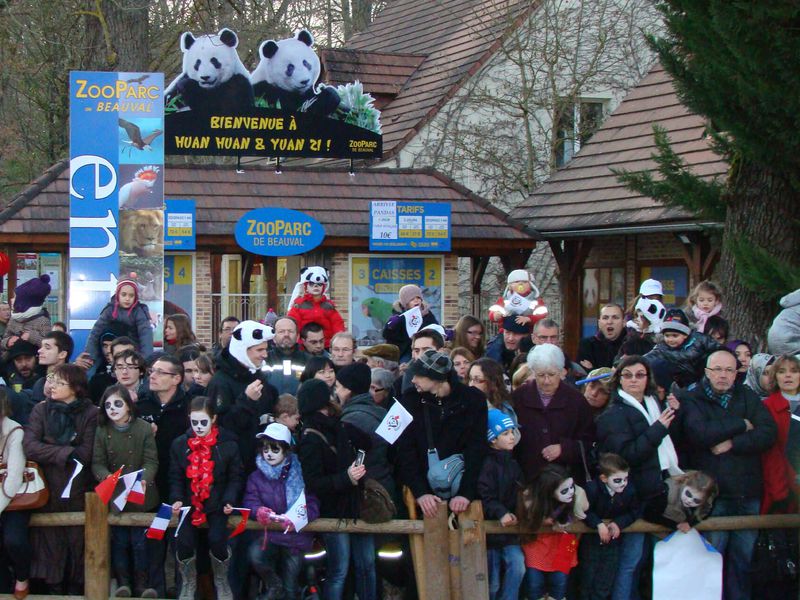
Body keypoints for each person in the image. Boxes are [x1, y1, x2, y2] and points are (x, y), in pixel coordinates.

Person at [680, 349, 777, 600]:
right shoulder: (693, 398)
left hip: (748, 492)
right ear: (707, 372)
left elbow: (768, 432)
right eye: (717, 370)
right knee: (712, 558)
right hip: (713, 495)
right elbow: (700, 434)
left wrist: (733, 444)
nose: (723, 375)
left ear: (737, 373)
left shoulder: (748, 397)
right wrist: (742, 424)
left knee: (742, 562)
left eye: (729, 370)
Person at [595, 355, 682, 600]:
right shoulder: (613, 414)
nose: (634, 380)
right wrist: (658, 430)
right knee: (630, 562)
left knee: (654, 561)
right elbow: (626, 457)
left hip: (657, 490)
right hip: (632, 496)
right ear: (619, 379)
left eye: (640, 375)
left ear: (648, 379)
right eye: (628, 375)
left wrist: (673, 415)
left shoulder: (654, 404)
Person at [23, 364, 98, 594]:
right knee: (49, 546)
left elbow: (86, 453)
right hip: (46, 486)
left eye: (58, 382)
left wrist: (53, 450)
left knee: (77, 544)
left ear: (75, 388)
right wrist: (64, 452)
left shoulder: (91, 413)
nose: (51, 386)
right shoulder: (40, 410)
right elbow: (30, 446)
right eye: (50, 380)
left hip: (78, 487)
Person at [296, 378, 373, 600]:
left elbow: (367, 443)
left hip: (356, 505)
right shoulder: (311, 437)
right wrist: (346, 478)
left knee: (366, 565)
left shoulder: (340, 426)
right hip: (334, 511)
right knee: (339, 570)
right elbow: (313, 483)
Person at [397, 349, 487, 517]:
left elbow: (477, 448)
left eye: (418, 375)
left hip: (463, 489)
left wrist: (466, 493)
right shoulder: (409, 401)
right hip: (423, 491)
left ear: (436, 378)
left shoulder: (473, 400)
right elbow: (404, 451)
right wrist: (421, 492)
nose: (413, 380)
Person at [169, 396, 243, 600]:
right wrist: (176, 498)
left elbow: (235, 477)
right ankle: (188, 581)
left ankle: (222, 580)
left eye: (203, 422)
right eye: (195, 422)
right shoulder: (179, 444)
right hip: (189, 501)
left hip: (217, 502)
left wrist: (230, 500)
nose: (199, 427)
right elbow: (175, 476)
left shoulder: (228, 444)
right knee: (183, 541)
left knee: (217, 539)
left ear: (213, 419)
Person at [92, 385, 159, 598]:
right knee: (119, 542)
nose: (112, 409)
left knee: (140, 544)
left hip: (141, 494)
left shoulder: (144, 428)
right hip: (115, 495)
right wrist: (108, 478)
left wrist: (144, 479)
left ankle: (142, 585)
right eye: (108, 405)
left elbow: (151, 461)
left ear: (129, 407)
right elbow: (97, 463)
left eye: (118, 403)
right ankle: (124, 584)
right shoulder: (102, 430)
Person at [244, 423, 320, 598]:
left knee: (291, 587)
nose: (269, 453)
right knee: (255, 555)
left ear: (286, 451)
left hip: (295, 538)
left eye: (275, 449)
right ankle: (273, 584)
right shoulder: (256, 477)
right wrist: (258, 511)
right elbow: (250, 500)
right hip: (268, 536)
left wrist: (297, 518)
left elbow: (313, 503)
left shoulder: (301, 473)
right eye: (265, 449)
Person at [512, 344, 595, 482]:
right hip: (527, 478)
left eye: (551, 374)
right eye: (540, 375)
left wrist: (564, 448)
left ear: (562, 372)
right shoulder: (518, 398)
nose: (546, 381)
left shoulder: (576, 401)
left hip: (565, 479)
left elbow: (588, 441)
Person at [208, 320, 279, 473]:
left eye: (265, 349)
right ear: (242, 349)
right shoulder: (220, 382)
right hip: (234, 467)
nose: (265, 355)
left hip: (262, 462)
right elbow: (220, 426)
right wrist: (247, 401)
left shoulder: (259, 376)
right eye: (259, 350)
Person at [519, 464, 587, 600]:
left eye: (571, 487)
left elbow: (583, 510)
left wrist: (577, 498)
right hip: (536, 544)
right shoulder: (531, 498)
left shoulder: (577, 495)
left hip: (566, 543)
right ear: (549, 490)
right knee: (534, 583)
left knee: (560, 583)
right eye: (564, 491)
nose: (570, 492)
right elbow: (531, 517)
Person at [579, 454, 640, 600]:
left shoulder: (629, 491)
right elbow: (584, 511)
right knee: (586, 580)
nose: (623, 484)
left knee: (604, 582)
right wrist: (598, 524)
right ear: (604, 478)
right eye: (618, 480)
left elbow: (635, 511)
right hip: (590, 542)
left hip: (613, 544)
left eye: (625, 479)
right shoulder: (592, 489)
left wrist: (619, 523)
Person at [478, 409, 524, 600]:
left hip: (509, 531)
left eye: (512, 432)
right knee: (493, 582)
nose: (512, 437)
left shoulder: (513, 464)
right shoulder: (487, 465)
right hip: (491, 532)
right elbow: (485, 495)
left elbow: (520, 492)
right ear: (492, 440)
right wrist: (501, 512)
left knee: (518, 566)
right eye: (505, 433)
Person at [0, 388, 32, 599]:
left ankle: (22, 577)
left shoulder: (15, 431)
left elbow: (14, 476)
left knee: (14, 540)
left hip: (13, 499)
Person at [760, 354, 800, 515]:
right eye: (782, 371)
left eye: (794, 371)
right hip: (778, 483)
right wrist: (779, 490)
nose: (788, 375)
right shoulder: (766, 407)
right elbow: (770, 452)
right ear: (775, 376)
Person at [643, 308, 723, 387]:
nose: (670, 339)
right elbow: (647, 358)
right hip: (681, 382)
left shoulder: (699, 339)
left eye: (675, 336)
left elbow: (718, 349)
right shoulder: (662, 348)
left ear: (685, 334)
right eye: (667, 336)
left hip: (703, 377)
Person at [83, 280, 153, 366]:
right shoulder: (109, 310)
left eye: (131, 295)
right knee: (92, 369)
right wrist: (90, 356)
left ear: (135, 297)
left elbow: (146, 335)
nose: (127, 298)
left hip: (132, 350)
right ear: (117, 295)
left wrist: (145, 359)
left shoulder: (139, 311)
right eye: (124, 295)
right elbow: (95, 332)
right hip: (109, 350)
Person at [286, 266, 345, 349]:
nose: (316, 286)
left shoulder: (328, 306)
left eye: (320, 284)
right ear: (306, 286)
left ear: (323, 287)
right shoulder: (299, 305)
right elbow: (293, 325)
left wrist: (339, 342)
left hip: (326, 346)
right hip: (304, 348)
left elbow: (338, 324)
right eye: (311, 284)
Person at [643, 470, 717, 533]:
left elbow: (704, 512)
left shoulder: (707, 502)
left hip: (679, 523)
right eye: (688, 494)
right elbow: (649, 514)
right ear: (684, 483)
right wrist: (676, 525)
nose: (689, 500)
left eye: (696, 500)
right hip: (659, 523)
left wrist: (690, 523)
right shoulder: (666, 491)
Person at [382, 284, 439, 363]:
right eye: (412, 299)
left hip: (424, 348)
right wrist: (390, 326)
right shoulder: (399, 316)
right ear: (405, 302)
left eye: (418, 298)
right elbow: (387, 335)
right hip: (404, 351)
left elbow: (435, 329)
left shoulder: (426, 314)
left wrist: (444, 332)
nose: (416, 300)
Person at [468, 358, 519, 440]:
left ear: (491, 382)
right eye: (470, 379)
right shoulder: (463, 403)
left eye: (477, 380)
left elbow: (514, 438)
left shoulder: (504, 408)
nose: (471, 384)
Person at [1, 275, 52, 352]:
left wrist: (31, 336)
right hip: (13, 359)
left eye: (15, 297)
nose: (12, 300)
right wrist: (8, 341)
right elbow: (4, 339)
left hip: (33, 360)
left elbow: (48, 345)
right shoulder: (14, 319)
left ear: (25, 302)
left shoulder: (43, 321)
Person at [263, 317, 307, 395]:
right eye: (281, 331)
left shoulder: (309, 361)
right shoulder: (263, 360)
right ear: (274, 337)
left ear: (297, 337)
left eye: (290, 331)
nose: (286, 334)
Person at [578, 304, 627, 370]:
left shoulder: (631, 344)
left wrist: (593, 369)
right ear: (599, 323)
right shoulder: (587, 344)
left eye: (615, 317)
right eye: (605, 318)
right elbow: (585, 374)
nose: (609, 322)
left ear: (624, 322)